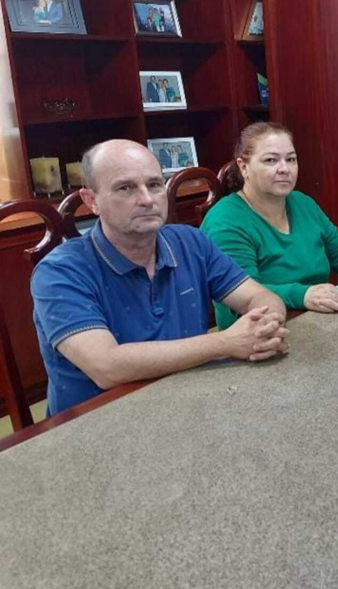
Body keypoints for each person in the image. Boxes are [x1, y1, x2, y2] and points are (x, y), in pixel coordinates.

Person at [31, 140, 289, 417]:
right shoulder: (60, 271)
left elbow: (259, 297)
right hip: (96, 426)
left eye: (154, 185)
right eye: (126, 188)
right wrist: (227, 343)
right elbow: (107, 367)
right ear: (91, 200)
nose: (147, 199)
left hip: (189, 406)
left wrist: (266, 327)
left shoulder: (190, 242)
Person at [201, 122, 338, 329]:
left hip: (316, 321)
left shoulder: (302, 203)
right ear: (244, 167)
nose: (284, 169)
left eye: (291, 159)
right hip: (259, 335)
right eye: (270, 160)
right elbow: (241, 293)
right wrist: (304, 295)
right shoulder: (225, 221)